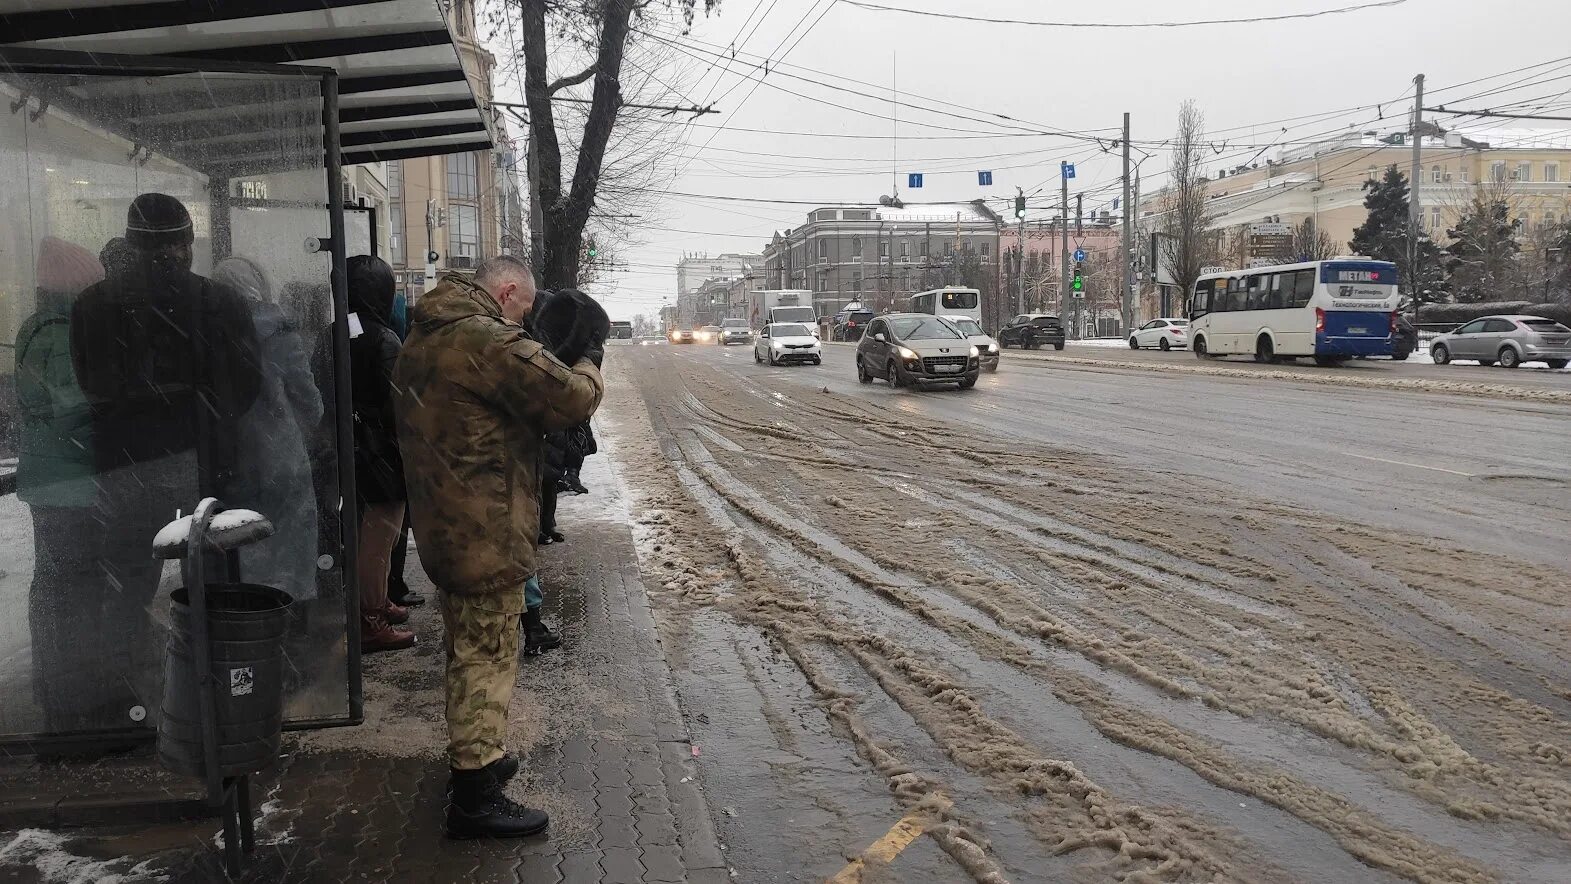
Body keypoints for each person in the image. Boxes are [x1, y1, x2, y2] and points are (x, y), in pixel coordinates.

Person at [394, 256, 603, 839]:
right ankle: (475, 792)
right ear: (507, 291)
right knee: (486, 656)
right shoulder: (483, 339)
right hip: (484, 526)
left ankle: (478, 755)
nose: (527, 320)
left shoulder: (426, 333)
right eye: (525, 307)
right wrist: (590, 355)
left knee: (468, 646)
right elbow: (573, 399)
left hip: (444, 520)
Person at [70, 193, 262, 722]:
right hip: (199, 463)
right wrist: (194, 413)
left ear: (130, 243)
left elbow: (92, 385)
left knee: (127, 585)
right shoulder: (217, 302)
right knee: (209, 581)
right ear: (187, 245)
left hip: (122, 466)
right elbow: (244, 387)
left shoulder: (93, 304)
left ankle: (128, 699)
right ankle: (215, 694)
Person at [16, 237, 104, 733]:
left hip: (53, 483)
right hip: (71, 487)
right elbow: (74, 410)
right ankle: (75, 703)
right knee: (70, 593)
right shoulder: (60, 334)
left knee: (55, 587)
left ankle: (62, 694)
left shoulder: (39, 328)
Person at [213, 256, 323, 606]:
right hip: (279, 449)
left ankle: (250, 606)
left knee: (245, 537)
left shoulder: (211, 326)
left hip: (232, 450)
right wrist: (315, 421)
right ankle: (287, 612)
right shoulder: (275, 326)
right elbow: (306, 393)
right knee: (291, 536)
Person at [346, 255, 416, 653]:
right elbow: (399, 403)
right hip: (381, 453)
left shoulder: (337, 330)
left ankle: (375, 604)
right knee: (380, 537)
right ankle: (370, 617)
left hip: (352, 448)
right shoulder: (384, 337)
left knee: (368, 535)